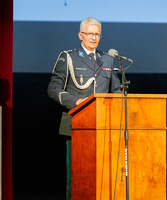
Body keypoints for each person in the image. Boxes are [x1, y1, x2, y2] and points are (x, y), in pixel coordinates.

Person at [47, 17, 121, 200]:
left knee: (104, 177)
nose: (93, 38)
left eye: (97, 34)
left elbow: (117, 90)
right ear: (80, 35)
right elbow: (53, 89)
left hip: (105, 128)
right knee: (78, 179)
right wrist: (75, 103)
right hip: (77, 126)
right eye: (89, 34)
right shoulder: (68, 57)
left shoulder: (108, 60)